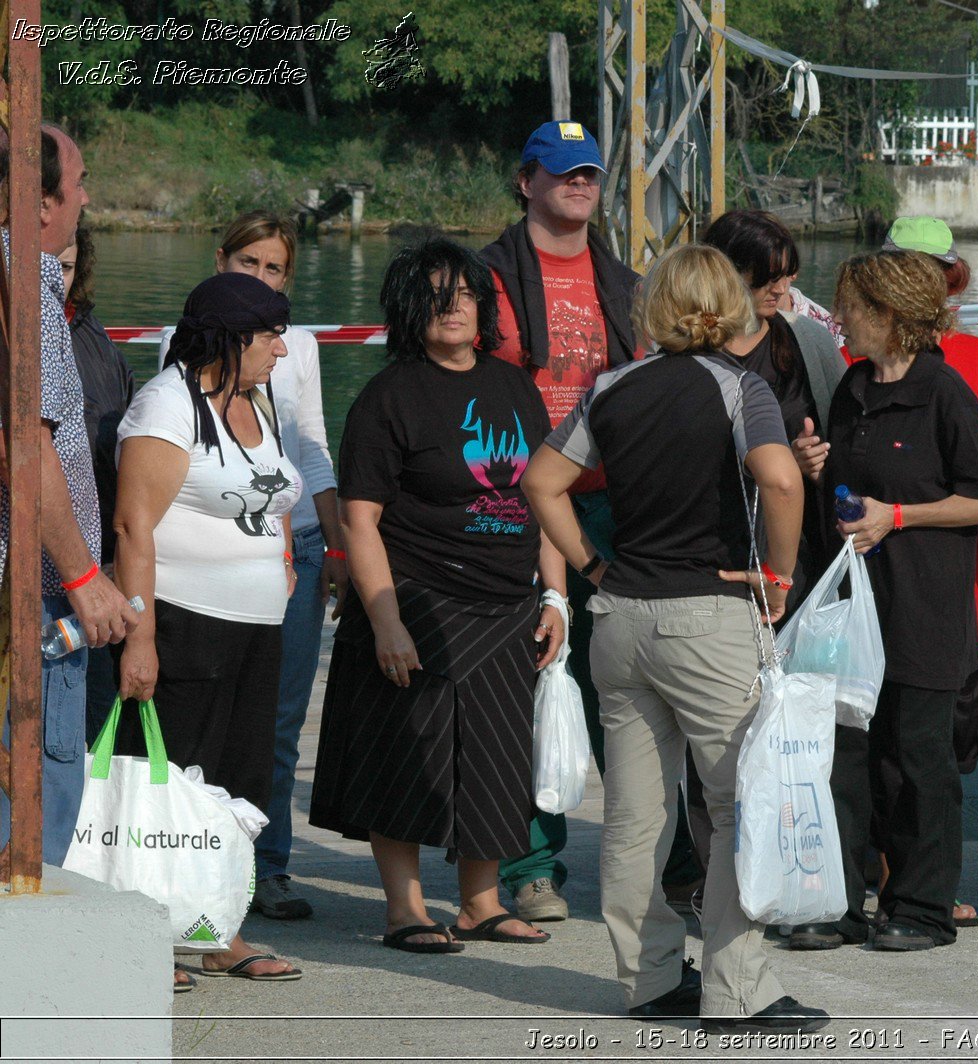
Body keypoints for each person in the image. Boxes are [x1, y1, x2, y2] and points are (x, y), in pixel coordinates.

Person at [522, 243, 827, 1032]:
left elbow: (540, 482)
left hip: (621, 617)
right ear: (729, 305)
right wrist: (778, 573)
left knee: (634, 815)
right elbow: (782, 477)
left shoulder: (612, 387)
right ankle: (737, 990)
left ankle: (650, 979)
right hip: (707, 614)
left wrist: (592, 563)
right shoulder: (740, 387)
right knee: (734, 805)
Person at [308, 238, 566, 954]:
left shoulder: (515, 385)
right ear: (408, 309)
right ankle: (405, 908)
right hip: (418, 595)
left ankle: (481, 903)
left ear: (484, 306)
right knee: (407, 752)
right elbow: (361, 519)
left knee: (495, 757)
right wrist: (386, 620)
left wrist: (557, 597)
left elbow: (544, 495)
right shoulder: (388, 396)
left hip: (507, 601)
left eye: (465, 293)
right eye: (435, 294)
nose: (453, 306)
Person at [482, 120, 700, 921]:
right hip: (509, 495)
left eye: (590, 175)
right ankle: (531, 865)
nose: (579, 184)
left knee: (636, 684)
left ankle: (667, 859)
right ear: (526, 180)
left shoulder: (629, 280)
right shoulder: (487, 277)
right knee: (525, 682)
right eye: (562, 172)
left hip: (611, 503)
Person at [790, 250, 978, 952]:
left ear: (889, 314)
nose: (840, 317)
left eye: (851, 306)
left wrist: (901, 516)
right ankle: (844, 900)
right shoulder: (852, 387)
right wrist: (816, 467)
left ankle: (922, 907)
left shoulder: (945, 393)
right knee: (847, 758)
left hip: (925, 606)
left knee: (919, 761)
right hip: (856, 610)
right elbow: (848, 485)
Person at [114, 271, 305, 982]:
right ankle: (145, 936)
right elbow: (133, 526)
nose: (282, 351)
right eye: (270, 335)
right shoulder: (167, 407)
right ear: (229, 339)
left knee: (242, 782)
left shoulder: (260, 402)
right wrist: (140, 637)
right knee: (173, 784)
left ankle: (220, 928)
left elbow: (278, 491)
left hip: (259, 626)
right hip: (185, 621)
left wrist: (282, 560)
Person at [154, 210, 342, 922]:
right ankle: (188, 872)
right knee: (206, 723)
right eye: (249, 264)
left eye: (275, 269)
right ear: (219, 260)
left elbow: (312, 444)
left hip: (291, 544)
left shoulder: (298, 346)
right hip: (209, 558)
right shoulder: (190, 343)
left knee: (279, 721)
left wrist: (335, 543)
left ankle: (268, 864)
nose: (262, 278)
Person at [872, 215, 978, 929]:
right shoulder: (856, 361)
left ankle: (931, 877)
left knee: (947, 752)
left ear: (951, 281)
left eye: (934, 271)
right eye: (906, 268)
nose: (922, 283)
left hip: (974, 594)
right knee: (883, 743)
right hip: (885, 593)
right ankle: (890, 876)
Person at [0, 123, 141, 874]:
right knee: (35, 815)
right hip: (33, 598)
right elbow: (27, 445)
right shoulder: (27, 282)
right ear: (43, 201)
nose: (87, 197)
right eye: (79, 181)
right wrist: (85, 579)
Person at [704, 208, 845, 607]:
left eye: (786, 276)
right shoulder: (686, 350)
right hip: (711, 555)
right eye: (768, 278)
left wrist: (819, 463)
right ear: (726, 272)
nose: (781, 290)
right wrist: (781, 462)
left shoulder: (810, 342)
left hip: (795, 559)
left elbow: (846, 449)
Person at [60, 223, 136, 733]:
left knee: (94, 721)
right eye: (45, 265)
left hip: (99, 558)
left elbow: (126, 438)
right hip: (29, 560)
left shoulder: (93, 334)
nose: (53, 279)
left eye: (64, 268)